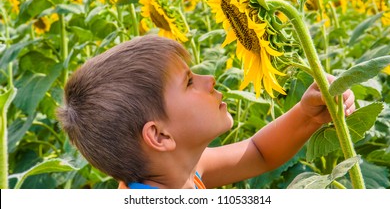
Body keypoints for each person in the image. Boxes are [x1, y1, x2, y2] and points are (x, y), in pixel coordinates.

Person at [57, 34, 355, 189]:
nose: (209, 79)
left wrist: (307, 114)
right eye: (189, 82)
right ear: (159, 135)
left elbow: (257, 153)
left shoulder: (176, 171)